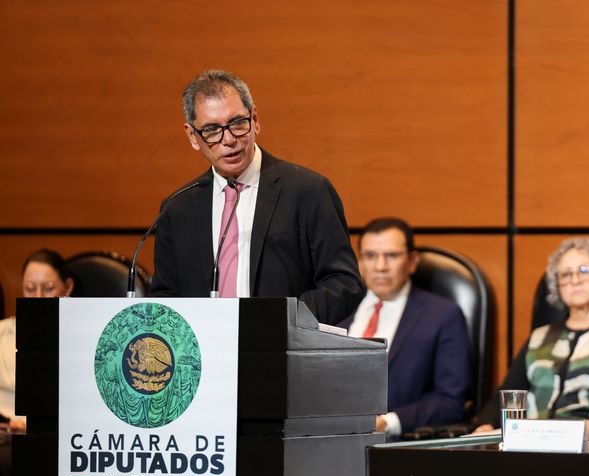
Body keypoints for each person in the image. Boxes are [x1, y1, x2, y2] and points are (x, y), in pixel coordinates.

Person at [148, 70, 364, 325]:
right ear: (193, 137)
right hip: (207, 347)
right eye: (212, 130)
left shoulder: (308, 191)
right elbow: (166, 297)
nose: (229, 139)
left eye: (238, 123)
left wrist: (283, 320)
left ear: (255, 120)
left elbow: (344, 285)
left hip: (280, 344)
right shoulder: (178, 208)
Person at [474, 237, 589, 439]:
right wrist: (485, 425)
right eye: (565, 274)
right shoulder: (539, 337)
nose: (575, 280)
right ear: (557, 285)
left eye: (585, 270)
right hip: (531, 441)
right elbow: (508, 394)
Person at [339, 218, 472, 438]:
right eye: (370, 256)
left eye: (391, 256)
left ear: (412, 261)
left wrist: (387, 422)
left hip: (393, 442)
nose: (380, 266)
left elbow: (450, 400)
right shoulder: (338, 311)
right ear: (360, 262)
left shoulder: (443, 315)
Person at [0, 249, 74, 431]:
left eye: (48, 288)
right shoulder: (2, 332)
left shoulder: (78, 339)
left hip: (50, 434)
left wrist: (24, 427)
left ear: (68, 287)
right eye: (30, 289)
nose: (38, 297)